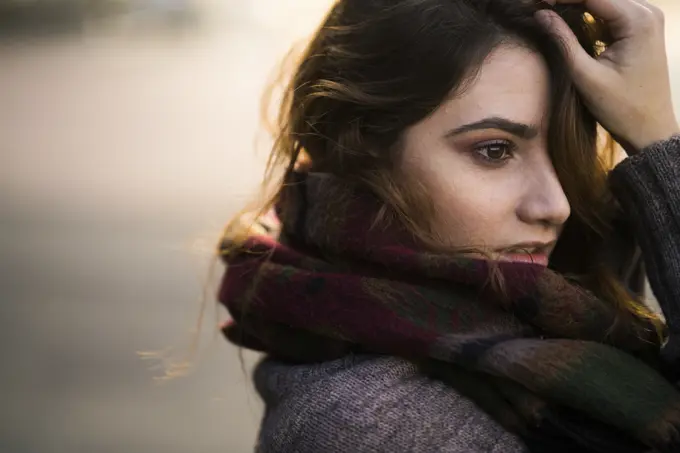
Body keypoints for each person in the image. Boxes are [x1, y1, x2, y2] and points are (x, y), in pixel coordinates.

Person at [218, 0, 680, 451]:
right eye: (494, 150)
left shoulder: (570, 319)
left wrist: (654, 138)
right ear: (361, 154)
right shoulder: (375, 423)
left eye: (563, 152)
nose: (556, 205)